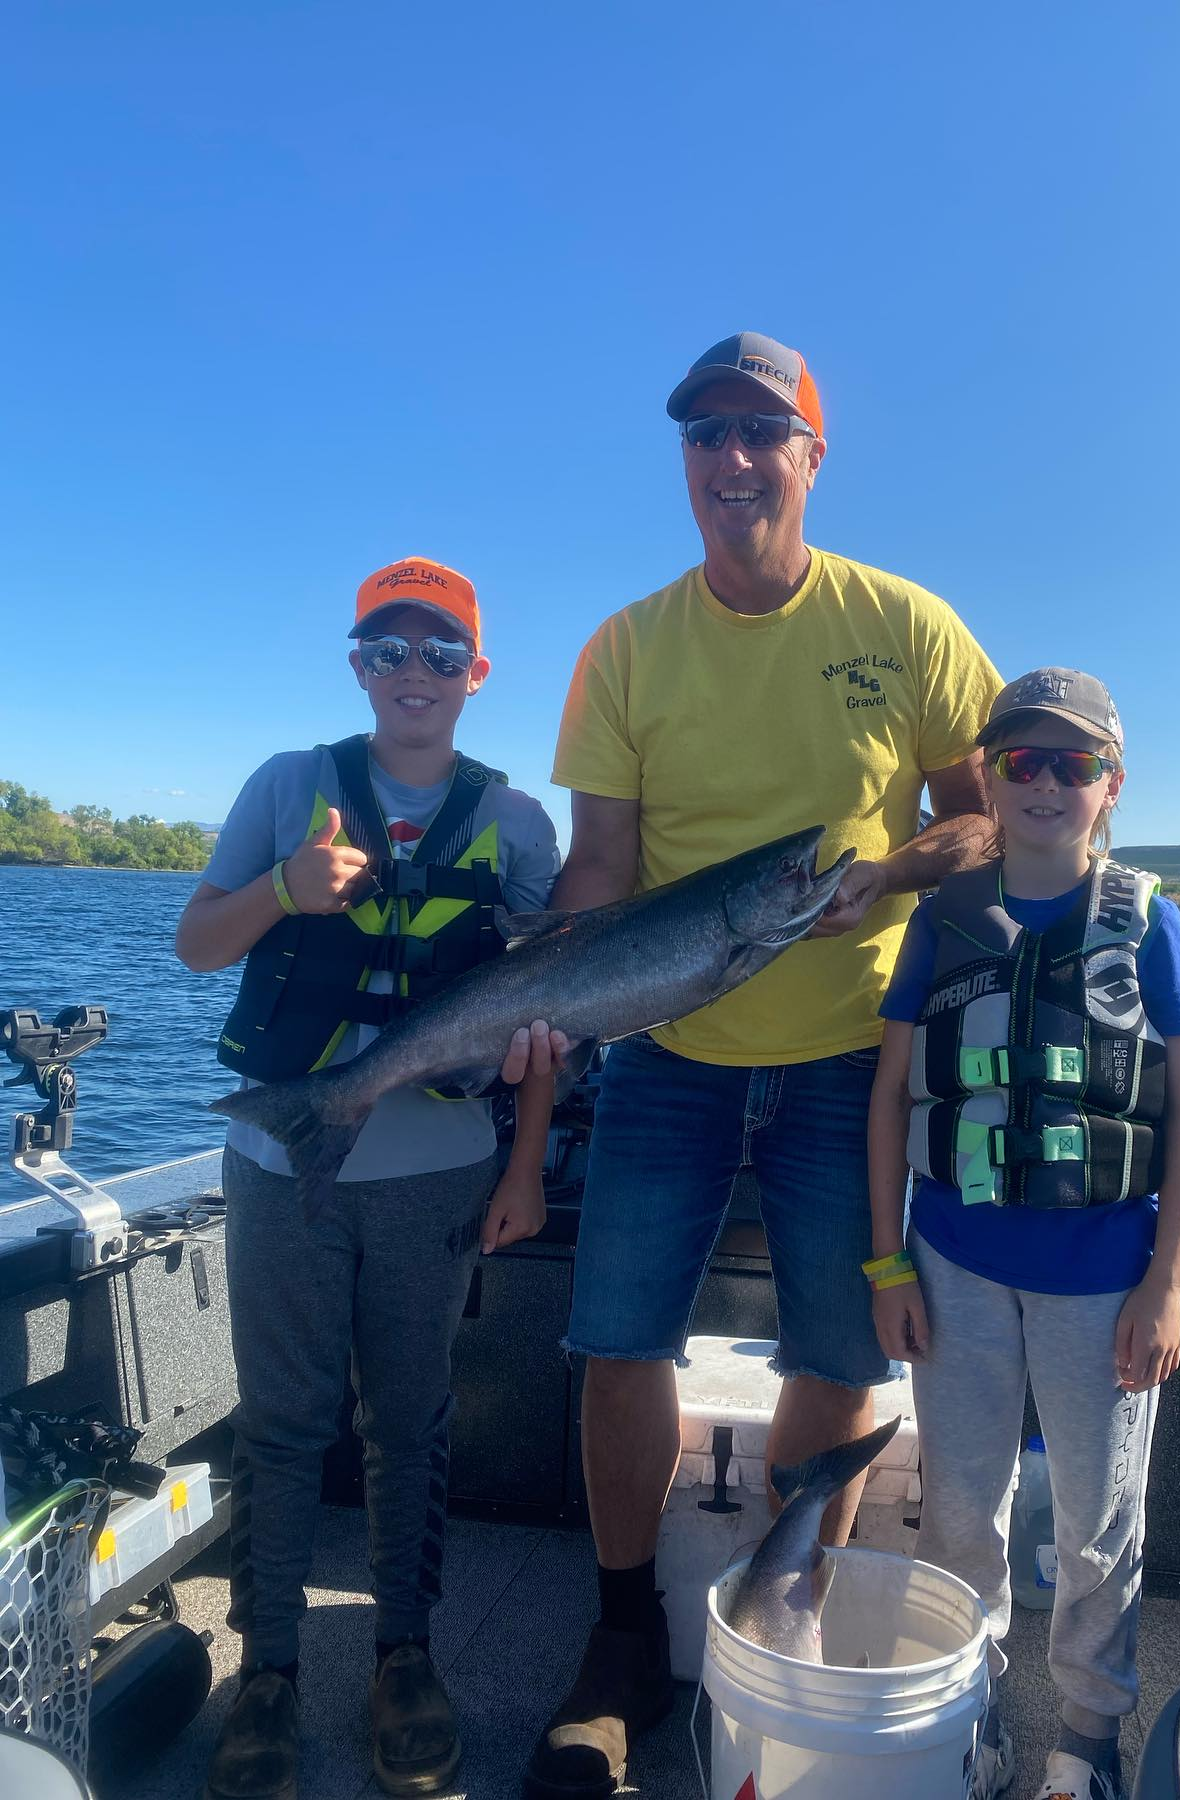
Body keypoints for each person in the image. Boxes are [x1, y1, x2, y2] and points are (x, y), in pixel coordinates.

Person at [521, 332, 1004, 1800]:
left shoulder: (907, 623)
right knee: (616, 1340)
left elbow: (983, 823)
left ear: (811, 452)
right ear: (684, 462)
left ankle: (789, 1607)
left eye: (760, 432)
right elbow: (599, 870)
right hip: (667, 1051)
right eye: (704, 436)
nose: (733, 461)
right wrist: (532, 1020)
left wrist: (892, 870)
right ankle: (620, 1648)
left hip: (859, 1064)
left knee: (844, 1355)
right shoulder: (627, 646)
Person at [176, 557, 560, 1800]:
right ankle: (269, 1672)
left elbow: (549, 1007)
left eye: (441, 654)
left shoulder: (518, 825)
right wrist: (284, 891)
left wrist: (526, 1164)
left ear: (477, 676)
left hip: (440, 1169)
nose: (415, 674)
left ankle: (406, 1656)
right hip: (281, 1155)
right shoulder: (289, 786)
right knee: (284, 1427)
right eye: (390, 650)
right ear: (358, 666)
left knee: (413, 1425)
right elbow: (194, 943)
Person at [867, 668, 1180, 1800]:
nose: (1048, 782)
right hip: (955, 1268)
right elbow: (889, 1099)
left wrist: (1167, 1283)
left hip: (1104, 1281)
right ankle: (972, 1715)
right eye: (1022, 761)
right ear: (988, 778)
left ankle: (1088, 1738)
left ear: (1113, 786)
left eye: (1075, 763)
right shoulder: (941, 921)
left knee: (1098, 1527)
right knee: (960, 1510)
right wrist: (888, 1264)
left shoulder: (1150, 926)